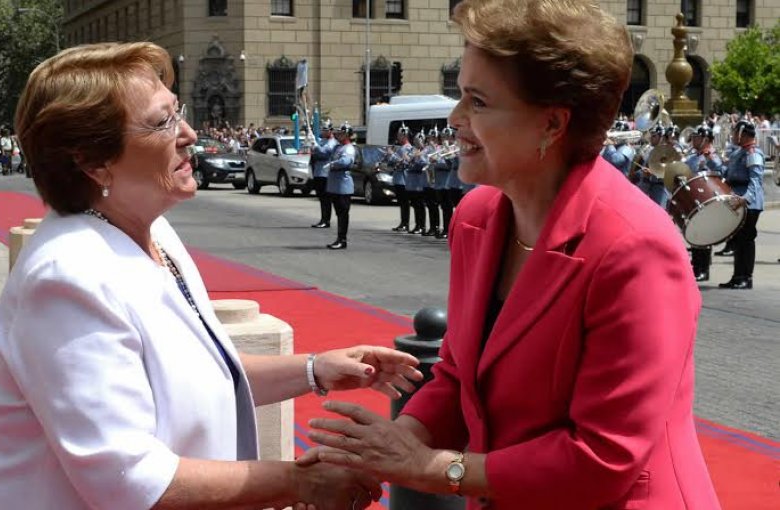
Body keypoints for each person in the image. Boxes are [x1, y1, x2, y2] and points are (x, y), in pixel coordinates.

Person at [0, 42, 424, 510]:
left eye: (176, 111)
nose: (188, 132)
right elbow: (129, 478)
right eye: (162, 122)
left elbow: (199, 374)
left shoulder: (153, 231)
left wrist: (315, 369)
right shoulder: (67, 278)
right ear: (93, 161)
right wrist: (300, 481)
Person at [300, 1, 720, 508]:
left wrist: (432, 468)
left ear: (552, 124)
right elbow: (458, 375)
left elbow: (602, 459)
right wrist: (386, 445)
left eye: (477, 102)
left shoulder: (637, 249)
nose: (455, 119)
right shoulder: (477, 216)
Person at [718, 120, 764, 289]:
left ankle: (746, 277)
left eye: (735, 132)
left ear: (743, 133)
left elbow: (756, 180)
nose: (733, 135)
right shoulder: (739, 152)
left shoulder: (753, 153)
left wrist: (745, 198)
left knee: (746, 239)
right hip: (736, 199)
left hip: (748, 203)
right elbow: (727, 174)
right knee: (737, 240)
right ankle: (737, 276)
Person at [683, 123, 723, 282]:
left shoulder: (712, 155)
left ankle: (703, 269)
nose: (693, 140)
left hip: (707, 196)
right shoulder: (692, 156)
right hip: (693, 197)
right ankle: (696, 265)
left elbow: (721, 170)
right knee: (694, 231)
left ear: (705, 139)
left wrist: (709, 157)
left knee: (705, 234)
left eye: (697, 138)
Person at [324, 122, 356, 250]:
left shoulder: (348, 148)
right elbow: (326, 152)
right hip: (335, 185)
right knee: (339, 213)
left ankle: (342, 239)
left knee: (343, 214)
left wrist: (333, 164)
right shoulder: (338, 147)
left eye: (341, 133)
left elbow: (346, 161)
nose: (339, 135)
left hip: (343, 185)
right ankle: (339, 238)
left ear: (346, 134)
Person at [310, 120, 337, 229]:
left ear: (330, 131)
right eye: (323, 130)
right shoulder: (322, 140)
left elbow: (325, 153)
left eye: (326, 130)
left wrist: (315, 146)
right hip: (318, 171)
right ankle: (323, 219)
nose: (324, 132)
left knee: (326, 198)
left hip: (325, 173)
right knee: (321, 197)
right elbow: (315, 152)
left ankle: (326, 220)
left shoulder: (332, 142)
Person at [386, 125, 414, 232]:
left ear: (404, 135)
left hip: (403, 179)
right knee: (402, 203)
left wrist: (392, 154)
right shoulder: (401, 148)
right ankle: (403, 222)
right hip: (398, 178)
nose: (397, 137)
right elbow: (392, 163)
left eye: (399, 135)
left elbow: (403, 163)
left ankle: (405, 223)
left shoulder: (407, 148)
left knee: (404, 203)